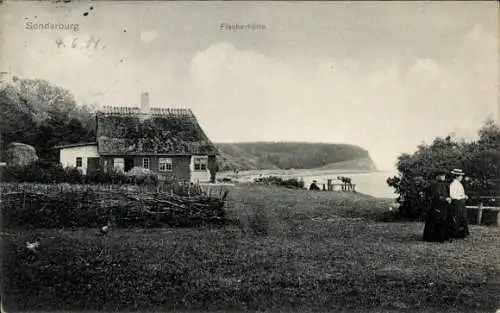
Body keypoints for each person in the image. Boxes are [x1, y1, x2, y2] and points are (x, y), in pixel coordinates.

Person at [423, 170, 452, 242]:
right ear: (437, 177)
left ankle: (442, 236)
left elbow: (447, 194)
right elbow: (435, 196)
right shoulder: (434, 185)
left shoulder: (445, 185)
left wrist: (448, 199)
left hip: (443, 206)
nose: (443, 177)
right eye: (441, 175)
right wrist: (445, 199)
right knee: (435, 222)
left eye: (444, 175)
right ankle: (434, 238)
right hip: (435, 206)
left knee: (443, 221)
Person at [449, 168, 470, 239]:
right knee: (457, 218)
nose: (462, 177)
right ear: (457, 176)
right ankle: (456, 234)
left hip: (461, 202)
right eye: (460, 176)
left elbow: (461, 193)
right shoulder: (453, 184)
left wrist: (464, 196)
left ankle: (462, 233)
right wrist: (461, 197)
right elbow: (452, 195)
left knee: (463, 217)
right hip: (456, 203)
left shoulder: (459, 184)